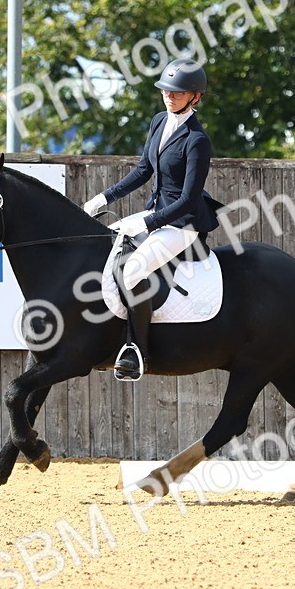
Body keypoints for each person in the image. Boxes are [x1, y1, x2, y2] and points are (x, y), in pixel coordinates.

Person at [82, 57, 221, 381]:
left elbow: (188, 199)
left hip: (182, 222)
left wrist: (146, 223)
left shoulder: (197, 141)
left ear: (195, 96)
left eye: (178, 92)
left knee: (133, 269)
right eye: (166, 90)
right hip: (156, 210)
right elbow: (144, 169)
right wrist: (105, 197)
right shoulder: (159, 121)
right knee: (104, 246)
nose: (169, 96)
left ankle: (137, 350)